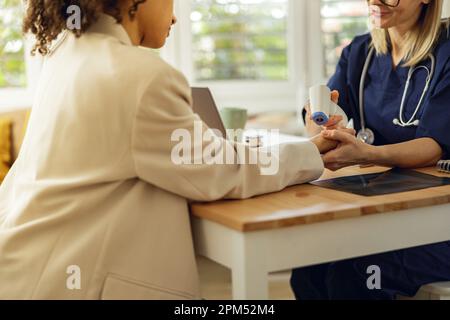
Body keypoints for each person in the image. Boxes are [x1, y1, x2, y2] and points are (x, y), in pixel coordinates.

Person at [0, 0, 342, 299]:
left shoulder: (65, 52)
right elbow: (223, 170)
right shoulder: (141, 76)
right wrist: (311, 151)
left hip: (25, 264)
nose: (175, 16)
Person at [291, 0, 450, 300]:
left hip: (438, 219)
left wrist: (367, 153)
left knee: (355, 274)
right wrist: (320, 121)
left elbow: (433, 145)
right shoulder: (361, 52)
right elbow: (324, 115)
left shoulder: (445, 53)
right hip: (386, 208)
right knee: (309, 265)